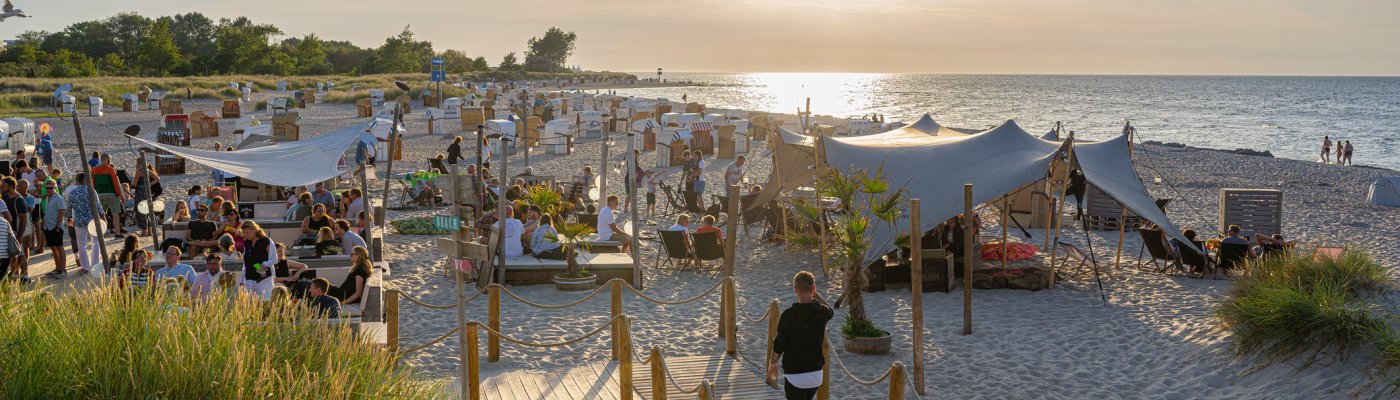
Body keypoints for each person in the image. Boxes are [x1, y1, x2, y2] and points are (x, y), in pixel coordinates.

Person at [767, 271, 833, 400]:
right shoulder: (822, 311)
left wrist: (772, 363)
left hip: (795, 375)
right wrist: (816, 294)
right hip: (816, 375)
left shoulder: (789, 315)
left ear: (795, 289)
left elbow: (779, 344)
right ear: (813, 288)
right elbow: (830, 310)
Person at [65, 173, 102, 276]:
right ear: (86, 180)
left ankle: (85, 267)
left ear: (78, 181)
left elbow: (68, 208)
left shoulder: (73, 193)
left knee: (81, 245)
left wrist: (69, 219)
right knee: (95, 242)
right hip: (92, 220)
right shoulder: (91, 191)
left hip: (79, 221)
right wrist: (103, 216)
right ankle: (95, 265)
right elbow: (98, 205)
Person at [240, 221, 278, 300]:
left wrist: (265, 263)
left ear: (254, 229)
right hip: (249, 279)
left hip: (264, 279)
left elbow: (275, 259)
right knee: (251, 304)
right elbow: (246, 262)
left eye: (247, 233)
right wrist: (242, 280)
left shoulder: (267, 241)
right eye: (244, 233)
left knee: (265, 302)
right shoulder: (246, 242)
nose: (245, 235)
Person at [91, 154, 125, 236]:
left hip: (99, 194)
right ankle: (117, 233)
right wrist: (119, 193)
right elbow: (115, 182)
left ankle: (101, 233)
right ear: (107, 159)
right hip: (111, 193)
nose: (110, 161)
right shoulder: (110, 169)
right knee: (115, 214)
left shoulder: (94, 170)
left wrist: (95, 194)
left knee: (101, 214)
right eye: (110, 159)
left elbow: (93, 183)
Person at [40, 178, 64, 276]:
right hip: (48, 226)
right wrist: (43, 222)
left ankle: (63, 270)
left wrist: (57, 226)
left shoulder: (59, 198)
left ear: (55, 188)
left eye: (51, 188)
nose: (49, 189)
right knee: (53, 248)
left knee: (59, 248)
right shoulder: (48, 198)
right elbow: (48, 212)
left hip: (56, 227)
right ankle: (58, 269)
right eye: (47, 188)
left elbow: (61, 212)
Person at [0, 215, 22, 281]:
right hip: (4, 255)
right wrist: (15, 256)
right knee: (3, 276)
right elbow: (12, 239)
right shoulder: (5, 222)